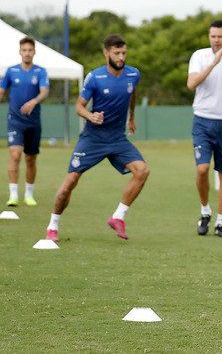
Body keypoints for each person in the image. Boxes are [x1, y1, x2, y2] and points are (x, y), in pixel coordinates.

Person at [44, 34, 150, 243]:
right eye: (116, 53)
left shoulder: (133, 74)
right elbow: (78, 107)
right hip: (93, 138)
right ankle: (53, 225)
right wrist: (90, 115)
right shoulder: (95, 77)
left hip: (117, 139)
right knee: (70, 182)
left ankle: (118, 216)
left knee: (143, 170)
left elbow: (132, 93)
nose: (121, 57)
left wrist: (131, 117)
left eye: (123, 53)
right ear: (106, 53)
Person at [188, 20, 222, 238]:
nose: (216, 40)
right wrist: (215, 62)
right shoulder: (199, 56)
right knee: (201, 170)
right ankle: (205, 210)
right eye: (212, 36)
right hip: (203, 120)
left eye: (219, 36)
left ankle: (220, 221)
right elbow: (192, 84)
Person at [0, 36, 49, 207]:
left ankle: (29, 194)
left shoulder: (41, 72)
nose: (27, 53)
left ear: (34, 52)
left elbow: (44, 91)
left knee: (30, 159)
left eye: (30, 50)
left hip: (33, 122)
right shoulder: (11, 71)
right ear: (20, 52)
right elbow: (1, 90)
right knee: (15, 154)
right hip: (15, 121)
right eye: (24, 50)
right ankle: (13, 194)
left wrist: (34, 101)